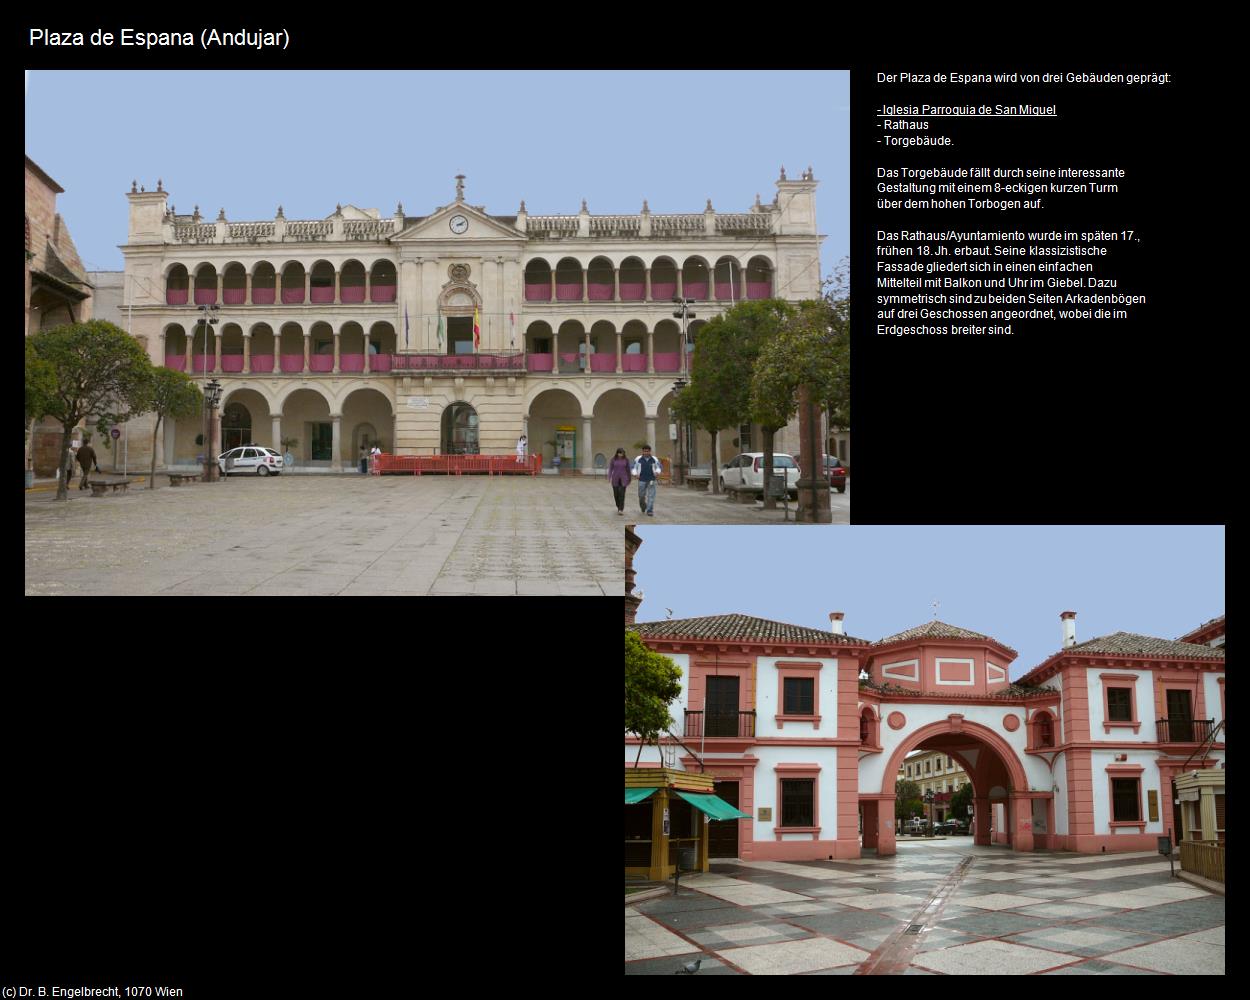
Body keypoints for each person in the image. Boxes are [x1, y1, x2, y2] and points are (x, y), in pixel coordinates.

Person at [632, 444, 661, 516]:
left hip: (651, 479)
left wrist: (657, 472)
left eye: (647, 451)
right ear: (642, 451)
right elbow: (633, 467)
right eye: (645, 451)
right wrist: (635, 474)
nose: (646, 453)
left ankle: (650, 510)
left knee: (651, 495)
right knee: (641, 495)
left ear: (650, 451)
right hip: (641, 479)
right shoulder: (638, 459)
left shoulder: (654, 459)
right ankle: (643, 506)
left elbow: (659, 467)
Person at [607, 447, 631, 515]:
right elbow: (611, 469)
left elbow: (628, 470)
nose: (620, 454)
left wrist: (629, 478)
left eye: (622, 453)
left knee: (622, 494)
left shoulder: (626, 460)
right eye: (619, 453)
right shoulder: (613, 460)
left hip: (623, 479)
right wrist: (609, 477)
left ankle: (621, 509)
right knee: (616, 494)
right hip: (615, 479)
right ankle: (618, 506)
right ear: (617, 453)